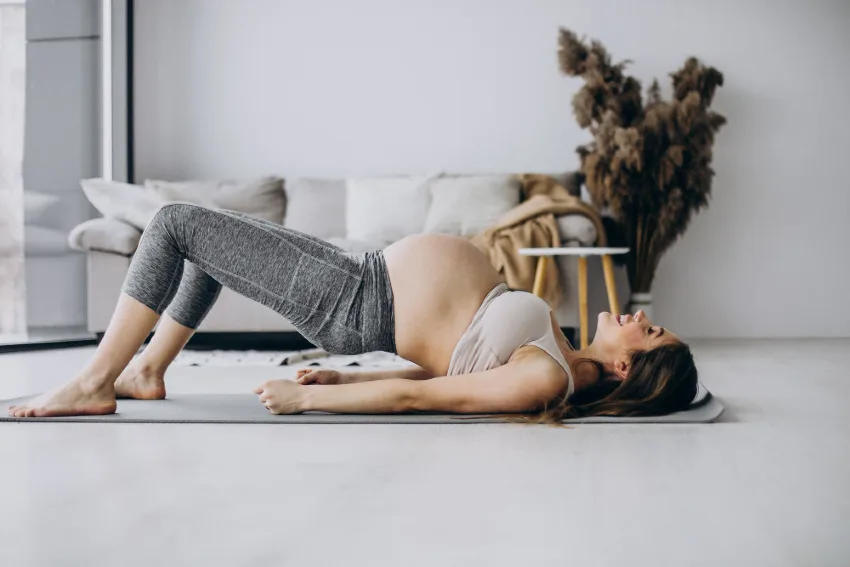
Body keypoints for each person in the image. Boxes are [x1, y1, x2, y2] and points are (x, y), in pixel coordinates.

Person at [8, 203, 698, 422]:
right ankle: (146, 370)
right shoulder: (555, 351)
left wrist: (315, 401)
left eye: (651, 330)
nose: (642, 317)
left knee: (173, 225)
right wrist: (341, 381)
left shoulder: (548, 380)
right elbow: (444, 371)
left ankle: (98, 380)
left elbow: (430, 396)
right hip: (358, 274)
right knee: (208, 247)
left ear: (624, 364)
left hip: (357, 300)